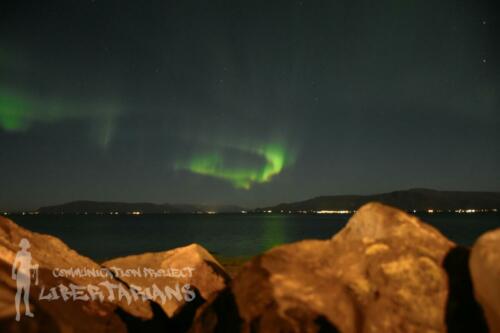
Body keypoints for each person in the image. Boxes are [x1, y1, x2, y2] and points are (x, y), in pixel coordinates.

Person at [11, 238, 38, 321]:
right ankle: (18, 313)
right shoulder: (19, 254)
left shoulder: (29, 254)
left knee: (26, 293)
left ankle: (27, 311)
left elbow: (28, 265)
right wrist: (13, 274)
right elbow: (15, 264)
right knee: (19, 293)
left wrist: (34, 267)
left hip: (26, 274)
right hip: (21, 274)